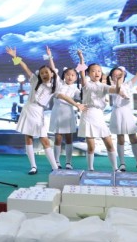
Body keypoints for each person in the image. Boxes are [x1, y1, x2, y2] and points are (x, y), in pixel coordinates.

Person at [7, 46, 60, 175]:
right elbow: (25, 68)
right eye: (42, 73)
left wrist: (50, 57)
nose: (44, 74)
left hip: (38, 112)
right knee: (28, 138)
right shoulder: (35, 81)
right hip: (28, 109)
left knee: (44, 139)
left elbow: (54, 70)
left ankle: (55, 167)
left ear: (51, 73)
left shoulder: (54, 85)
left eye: (46, 72)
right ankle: (33, 166)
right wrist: (15, 57)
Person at [76, 50, 119, 172]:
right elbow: (82, 72)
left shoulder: (104, 86)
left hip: (99, 115)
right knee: (91, 146)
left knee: (109, 143)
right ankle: (90, 168)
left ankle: (115, 168)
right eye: (94, 71)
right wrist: (81, 57)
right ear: (89, 73)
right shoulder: (86, 84)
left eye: (99, 71)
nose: (97, 73)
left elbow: (116, 90)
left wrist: (118, 82)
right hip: (88, 114)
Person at [107, 53, 137, 172]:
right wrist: (118, 82)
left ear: (124, 76)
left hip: (127, 113)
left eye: (120, 75)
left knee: (133, 137)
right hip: (117, 112)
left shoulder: (128, 85)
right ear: (111, 77)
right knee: (120, 138)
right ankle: (122, 163)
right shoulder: (111, 87)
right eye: (115, 75)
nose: (118, 76)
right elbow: (118, 90)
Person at [48, 62, 82, 169]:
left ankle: (68, 162)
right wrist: (50, 58)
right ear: (64, 75)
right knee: (58, 138)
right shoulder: (59, 83)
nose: (70, 77)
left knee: (69, 138)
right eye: (68, 74)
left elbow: (83, 97)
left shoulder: (76, 89)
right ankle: (56, 162)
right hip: (58, 112)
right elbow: (53, 70)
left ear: (76, 77)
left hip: (68, 114)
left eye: (73, 75)